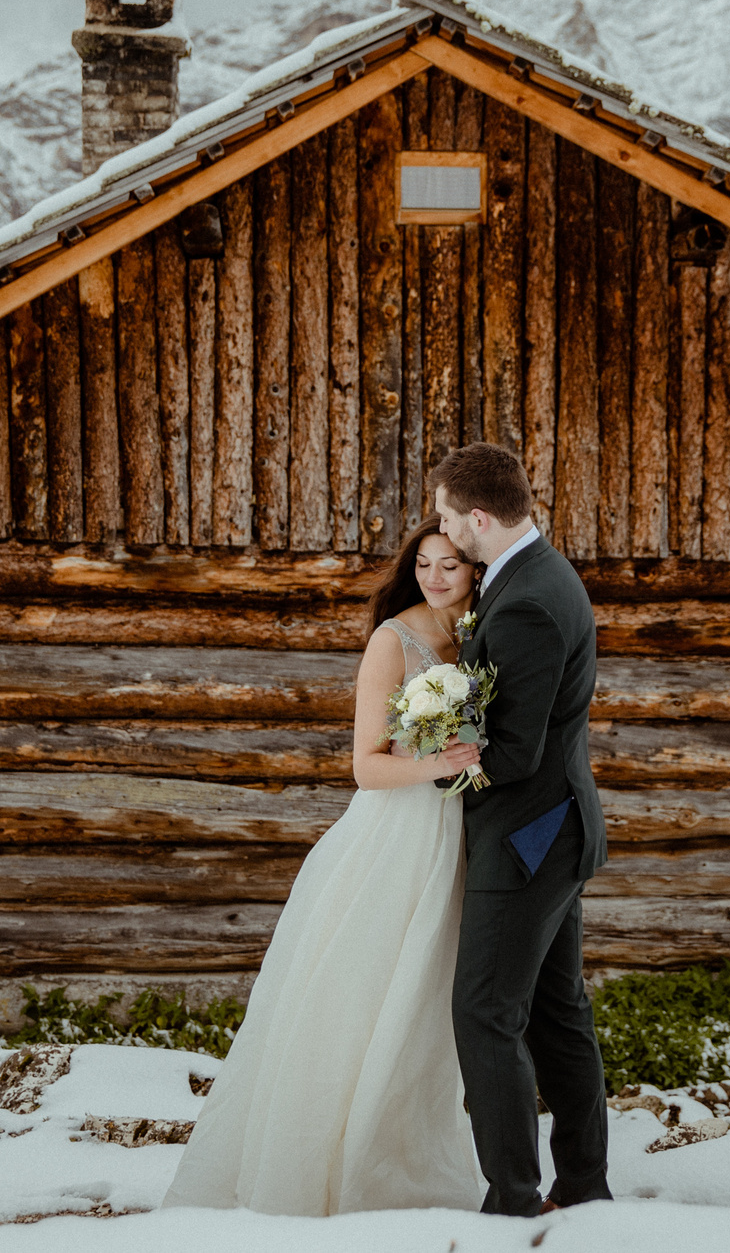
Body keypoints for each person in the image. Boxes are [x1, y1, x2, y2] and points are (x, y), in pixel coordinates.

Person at [160, 519, 488, 1214]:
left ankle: (409, 1156)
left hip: (453, 836)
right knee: (362, 997)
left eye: (450, 565)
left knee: (427, 1004)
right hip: (393, 840)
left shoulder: (480, 635)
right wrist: (439, 762)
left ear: (473, 569)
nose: (435, 576)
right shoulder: (391, 640)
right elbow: (365, 766)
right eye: (425, 564)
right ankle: (329, 1169)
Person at [431, 441, 612, 1217]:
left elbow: (514, 750)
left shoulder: (530, 599)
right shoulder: (537, 575)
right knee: (555, 1011)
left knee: (484, 1010)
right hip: (554, 830)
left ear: (477, 517)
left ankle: (512, 1198)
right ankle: (583, 1185)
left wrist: (437, 761)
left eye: (445, 517)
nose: (440, 531)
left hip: (529, 838)